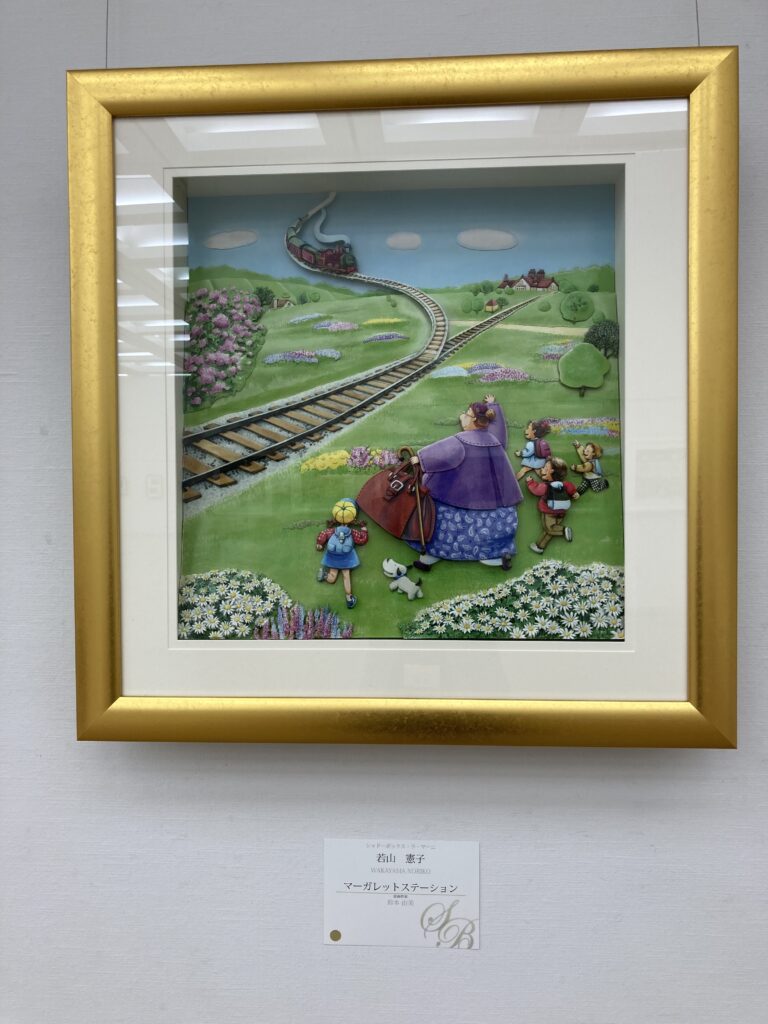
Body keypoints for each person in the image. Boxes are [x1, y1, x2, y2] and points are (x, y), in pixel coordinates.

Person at [407, 395, 523, 571]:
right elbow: (500, 429)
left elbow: (439, 454)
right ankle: (494, 555)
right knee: (491, 527)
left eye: (466, 414)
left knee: (443, 523)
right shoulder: (494, 439)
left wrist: (419, 459)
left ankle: (432, 554)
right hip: (493, 498)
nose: (462, 416)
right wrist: (492, 405)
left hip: (457, 496)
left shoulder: (460, 440)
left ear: (474, 420)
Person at [316, 498, 368, 608]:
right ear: (353, 517)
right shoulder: (352, 532)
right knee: (346, 576)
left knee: (332, 577)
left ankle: (324, 575)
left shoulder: (332, 531)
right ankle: (349, 598)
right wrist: (364, 529)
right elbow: (362, 540)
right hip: (346, 558)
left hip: (333, 556)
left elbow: (323, 534)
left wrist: (320, 544)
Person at [525, 457, 580, 553]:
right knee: (550, 531)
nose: (542, 469)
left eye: (545, 467)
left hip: (549, 512)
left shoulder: (546, 486)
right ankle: (540, 547)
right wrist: (575, 493)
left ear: (551, 471)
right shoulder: (564, 484)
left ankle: (564, 530)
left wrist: (530, 482)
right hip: (561, 512)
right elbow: (571, 488)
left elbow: (536, 490)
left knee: (549, 529)